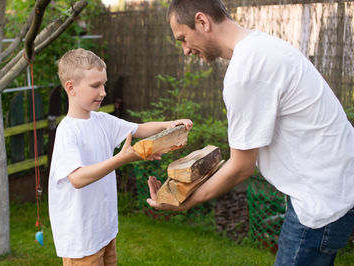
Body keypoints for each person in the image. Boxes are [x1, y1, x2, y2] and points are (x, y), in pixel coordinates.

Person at [146, 1, 354, 265]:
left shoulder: (247, 70)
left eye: (183, 39)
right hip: (331, 190)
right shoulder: (262, 47)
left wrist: (184, 203)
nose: (185, 50)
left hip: (318, 203)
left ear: (202, 21)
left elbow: (241, 167)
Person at [48, 48, 192, 265]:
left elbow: (140, 129)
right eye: (95, 86)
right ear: (71, 87)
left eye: (104, 84)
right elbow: (77, 178)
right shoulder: (68, 131)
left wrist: (170, 125)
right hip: (82, 238)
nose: (103, 92)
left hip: (104, 229)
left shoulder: (102, 121)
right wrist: (121, 159)